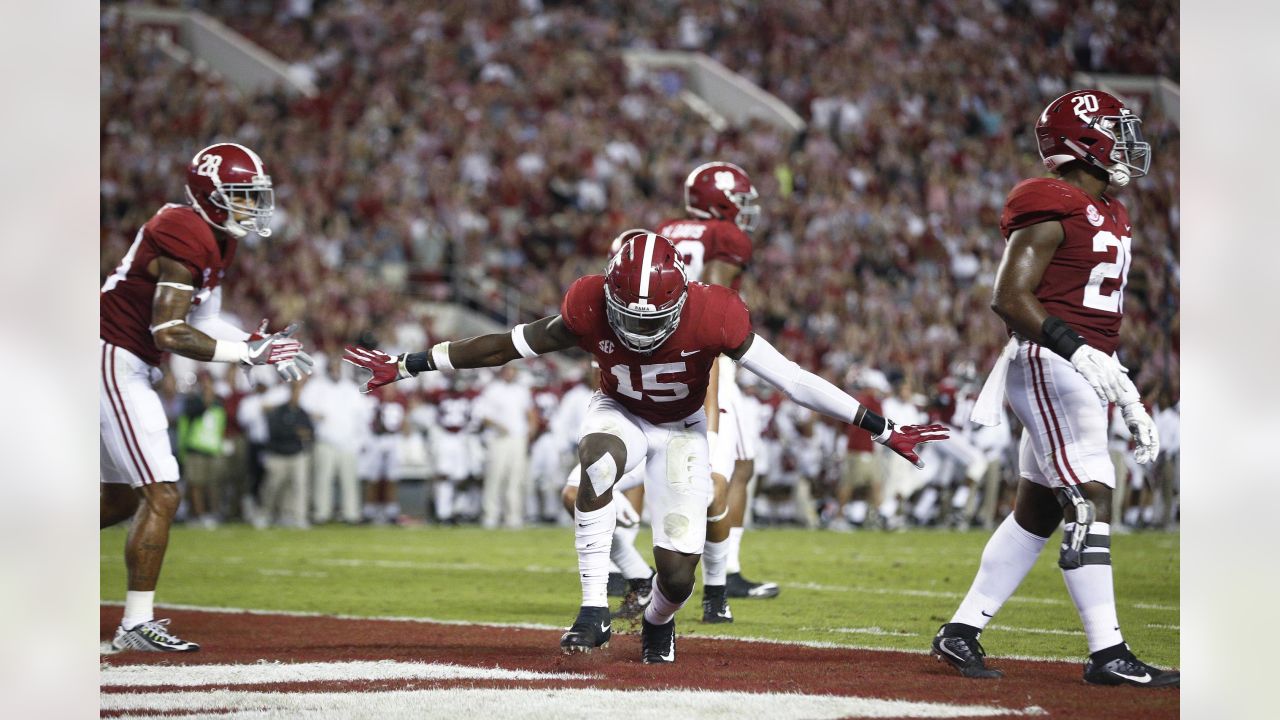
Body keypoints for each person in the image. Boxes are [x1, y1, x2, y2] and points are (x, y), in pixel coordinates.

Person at [345, 231, 947, 663]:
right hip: (621, 413)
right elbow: (505, 344)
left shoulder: (715, 313)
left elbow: (792, 378)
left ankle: (657, 621)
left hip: (683, 431)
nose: (634, 330)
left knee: (677, 578)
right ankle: (591, 609)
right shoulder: (587, 305)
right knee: (596, 463)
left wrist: (880, 426)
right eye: (623, 317)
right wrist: (409, 363)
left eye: (650, 317)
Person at [934, 90, 1177, 687]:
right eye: (1115, 130)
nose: (1127, 143)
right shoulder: (1050, 199)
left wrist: (1114, 379)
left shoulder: (1110, 210)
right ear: (1083, 140)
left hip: (1082, 363)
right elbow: (1009, 298)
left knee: (1038, 509)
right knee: (1093, 487)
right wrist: (1080, 354)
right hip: (1049, 358)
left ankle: (960, 631)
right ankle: (1107, 653)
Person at [100, 142, 313, 652]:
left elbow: (203, 321)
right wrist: (248, 357)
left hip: (126, 360)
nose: (252, 206)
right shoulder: (183, 230)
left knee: (124, 496)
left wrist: (253, 342)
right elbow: (171, 332)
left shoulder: (217, 237)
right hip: (111, 355)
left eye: (255, 196)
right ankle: (135, 623)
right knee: (162, 490)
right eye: (241, 196)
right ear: (209, 194)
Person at [657, 162, 774, 619]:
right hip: (710, 354)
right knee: (725, 470)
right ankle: (721, 580)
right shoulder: (725, 237)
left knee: (738, 463)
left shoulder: (668, 228)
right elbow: (714, 299)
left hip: (670, 347)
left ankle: (719, 573)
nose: (745, 213)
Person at [300, 358, 368, 524]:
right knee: (323, 479)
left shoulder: (351, 389)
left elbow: (362, 417)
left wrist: (360, 440)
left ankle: (351, 514)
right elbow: (304, 406)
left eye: (338, 368)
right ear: (328, 369)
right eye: (333, 368)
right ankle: (321, 513)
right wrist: (314, 415)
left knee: (349, 481)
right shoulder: (316, 386)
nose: (335, 371)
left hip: (348, 441)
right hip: (325, 440)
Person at [474, 364, 536, 529]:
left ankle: (513, 516)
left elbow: (530, 413)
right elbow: (482, 415)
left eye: (512, 370)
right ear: (502, 372)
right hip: (498, 438)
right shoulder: (492, 390)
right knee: (495, 476)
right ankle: (490, 515)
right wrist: (497, 425)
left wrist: (530, 432)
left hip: (518, 438)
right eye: (507, 370)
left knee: (516, 479)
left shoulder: (521, 390)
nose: (510, 373)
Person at [262, 380, 315, 528]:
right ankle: (265, 514)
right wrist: (295, 432)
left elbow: (310, 432)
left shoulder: (302, 412)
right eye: (295, 391)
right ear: (290, 393)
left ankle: (299, 517)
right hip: (278, 454)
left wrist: (298, 433)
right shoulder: (279, 411)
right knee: (273, 488)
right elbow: (275, 431)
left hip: (297, 454)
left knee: (299, 487)